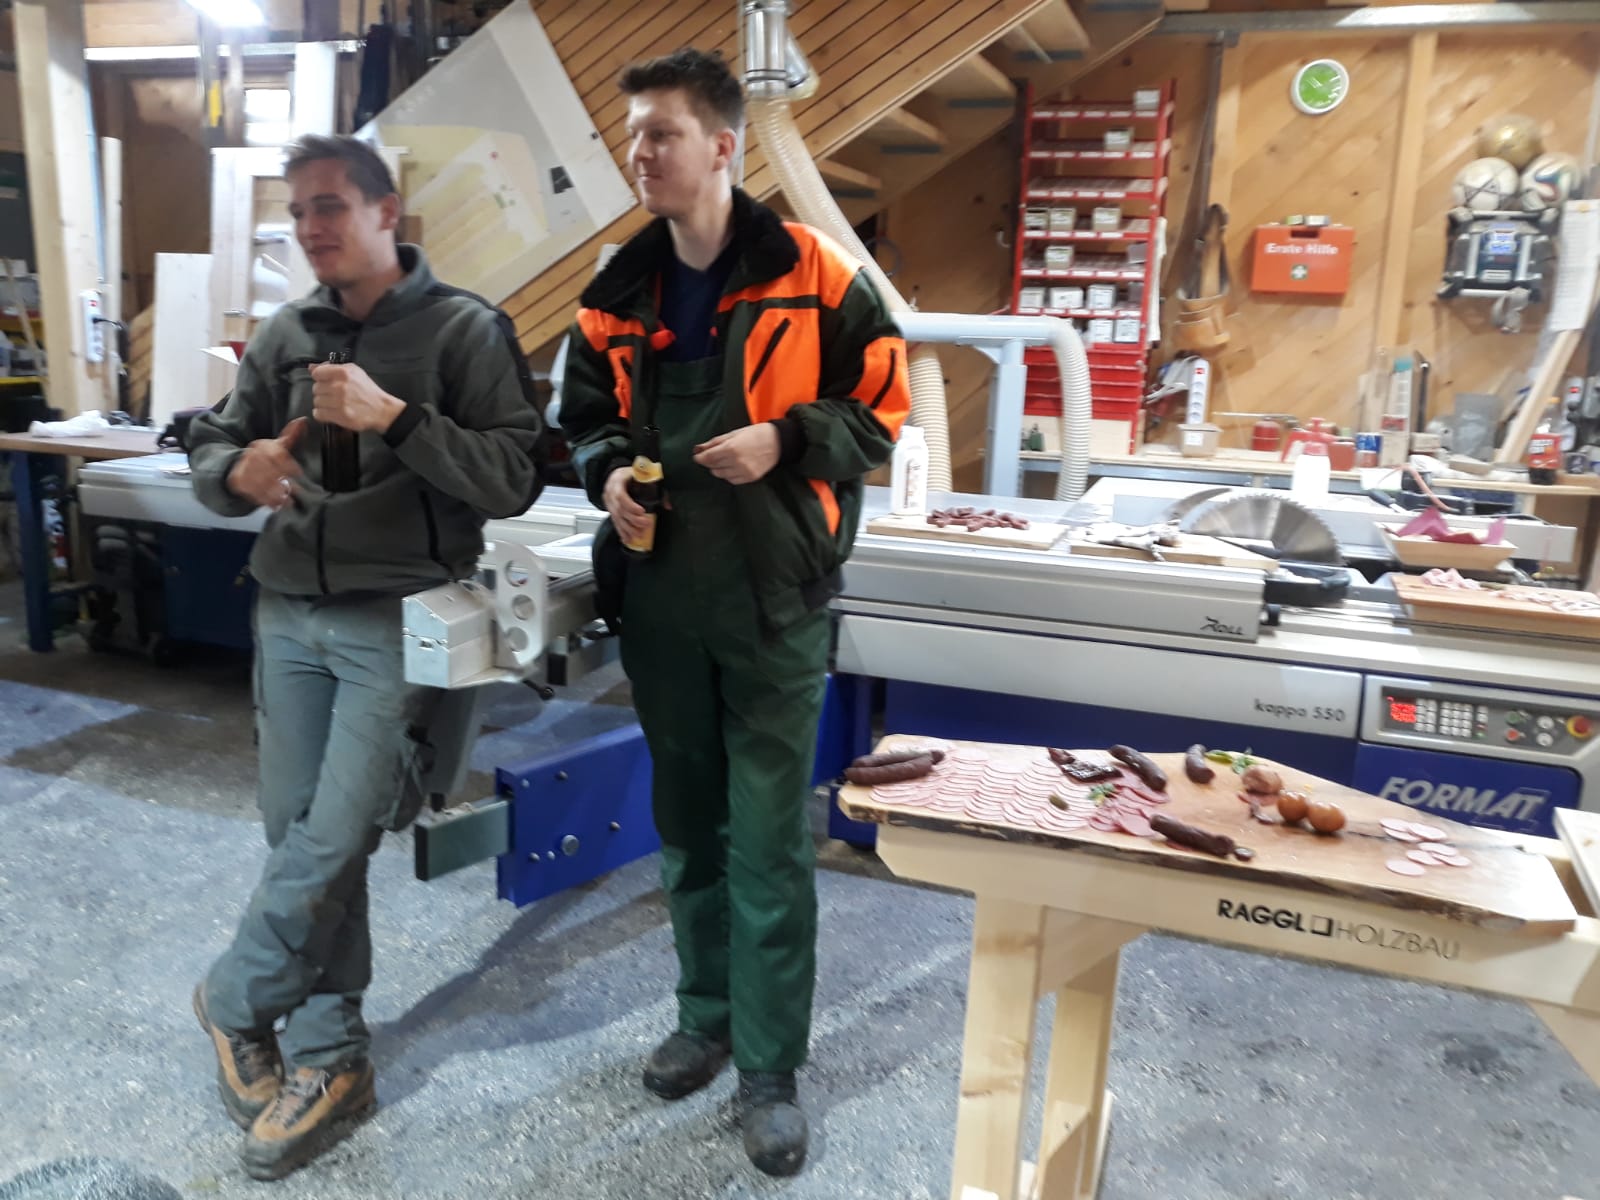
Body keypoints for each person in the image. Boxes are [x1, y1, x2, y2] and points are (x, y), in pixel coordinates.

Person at [559, 48, 911, 1177]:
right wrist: (606, 477)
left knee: (764, 839)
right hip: (661, 596)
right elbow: (582, 420)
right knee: (686, 826)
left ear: (722, 146)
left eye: (659, 133)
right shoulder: (615, 292)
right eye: (632, 136)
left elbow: (882, 411)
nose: (640, 154)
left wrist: (787, 438)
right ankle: (703, 1018)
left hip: (772, 602)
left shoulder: (818, 275)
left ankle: (768, 1068)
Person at [187, 133, 545, 1180]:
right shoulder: (285, 334)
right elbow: (214, 440)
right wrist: (235, 473)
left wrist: (396, 418)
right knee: (296, 831)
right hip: (287, 613)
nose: (312, 228)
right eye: (298, 210)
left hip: (397, 618)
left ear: (388, 213)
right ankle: (330, 1055)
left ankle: (234, 995)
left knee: (338, 833)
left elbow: (513, 475)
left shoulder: (463, 329)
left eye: (332, 205)